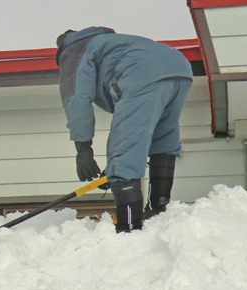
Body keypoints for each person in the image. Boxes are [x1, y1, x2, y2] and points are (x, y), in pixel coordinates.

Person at [55, 26, 193, 233]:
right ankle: (159, 207)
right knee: (163, 136)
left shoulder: (73, 50)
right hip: (179, 66)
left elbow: (76, 100)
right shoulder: (112, 43)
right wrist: (113, 169)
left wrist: (83, 149)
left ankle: (129, 227)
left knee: (125, 151)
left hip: (142, 70)